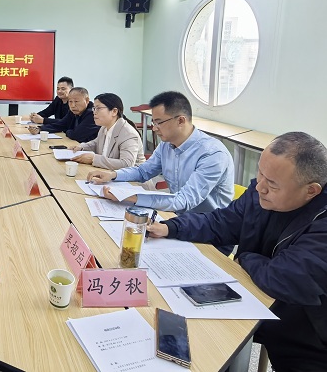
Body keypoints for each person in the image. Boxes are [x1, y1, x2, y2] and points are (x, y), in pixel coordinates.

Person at [147, 132, 327, 372]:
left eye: (272, 184)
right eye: (260, 173)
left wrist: (246, 258)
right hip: (256, 300)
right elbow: (222, 222)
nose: (260, 187)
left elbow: (283, 277)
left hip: (307, 336)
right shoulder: (262, 191)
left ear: (311, 191)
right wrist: (171, 227)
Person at [87, 91, 234, 213]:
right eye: (153, 122)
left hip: (209, 229)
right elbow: (143, 171)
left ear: (181, 121)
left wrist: (130, 197)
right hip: (178, 217)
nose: (154, 128)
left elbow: (184, 200)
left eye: (159, 122)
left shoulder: (212, 154)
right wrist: (113, 175)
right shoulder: (167, 144)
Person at [70, 93, 146, 170]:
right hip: (108, 172)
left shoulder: (128, 133)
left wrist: (94, 159)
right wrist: (81, 147)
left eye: (98, 108)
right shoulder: (104, 127)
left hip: (132, 177)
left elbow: (127, 164)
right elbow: (96, 143)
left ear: (114, 111)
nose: (94, 112)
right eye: (94, 108)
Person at [28, 87, 99, 143]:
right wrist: (40, 129)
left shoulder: (93, 114)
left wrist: (67, 130)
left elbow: (76, 135)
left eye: (76, 101)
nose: (73, 105)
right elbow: (61, 124)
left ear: (87, 100)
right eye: (70, 101)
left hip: (90, 152)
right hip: (75, 146)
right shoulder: (73, 111)